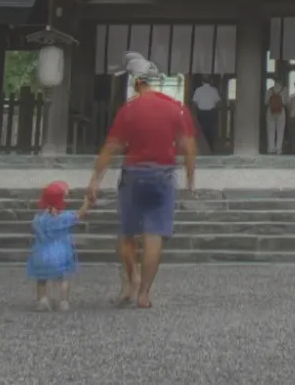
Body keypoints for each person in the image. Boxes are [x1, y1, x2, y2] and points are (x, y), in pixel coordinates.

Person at [85, 62, 198, 309]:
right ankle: (144, 293)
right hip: (163, 175)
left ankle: (132, 277)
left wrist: (95, 181)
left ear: (137, 83)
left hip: (134, 174)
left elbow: (111, 147)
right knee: (154, 235)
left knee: (127, 233)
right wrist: (190, 179)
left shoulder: (129, 110)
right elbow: (188, 147)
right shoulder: (176, 109)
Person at [26, 180, 89, 311]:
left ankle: (42, 300)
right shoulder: (63, 217)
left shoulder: (40, 218)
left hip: (42, 253)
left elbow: (35, 227)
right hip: (61, 252)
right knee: (63, 278)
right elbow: (79, 214)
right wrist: (86, 203)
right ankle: (63, 301)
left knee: (41, 279)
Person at [190, 74, 222, 153]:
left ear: (202, 81)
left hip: (201, 113)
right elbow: (218, 102)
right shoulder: (214, 90)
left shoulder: (198, 90)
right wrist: (214, 108)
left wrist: (194, 113)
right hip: (211, 113)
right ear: (211, 81)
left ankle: (202, 149)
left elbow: (194, 103)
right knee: (210, 131)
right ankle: (210, 148)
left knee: (201, 131)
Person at [266, 79, 287, 155]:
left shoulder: (269, 90)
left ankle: (271, 148)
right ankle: (278, 149)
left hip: (270, 111)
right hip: (281, 111)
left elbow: (265, 102)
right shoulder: (285, 90)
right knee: (280, 131)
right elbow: (286, 102)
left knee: (271, 130)